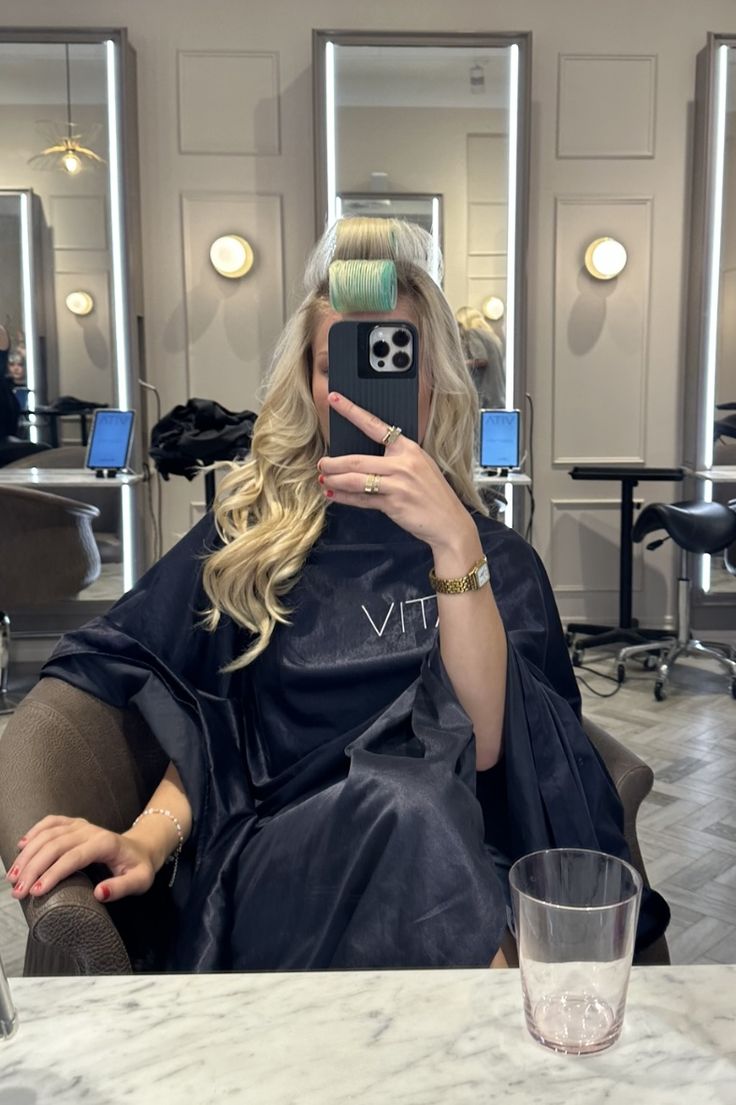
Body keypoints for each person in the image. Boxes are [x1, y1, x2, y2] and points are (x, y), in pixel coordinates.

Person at [5, 218, 669, 972]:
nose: (360, 386)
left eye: (391, 356)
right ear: (309, 382)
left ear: (432, 377)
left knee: (425, 814)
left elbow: (489, 746)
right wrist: (146, 836)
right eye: (338, 364)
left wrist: (454, 545)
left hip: (452, 868)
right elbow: (202, 721)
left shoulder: (498, 563)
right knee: (413, 808)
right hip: (283, 868)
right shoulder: (250, 540)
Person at [456, 306, 505, 411]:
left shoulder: (472, 333)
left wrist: (458, 364)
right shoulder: (491, 337)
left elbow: (481, 360)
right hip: (498, 396)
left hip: (485, 397)